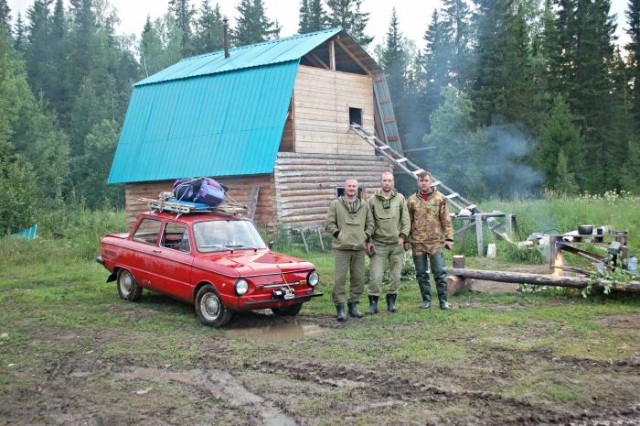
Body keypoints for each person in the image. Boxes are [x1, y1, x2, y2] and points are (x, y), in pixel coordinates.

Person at [324, 178, 374, 321]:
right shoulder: (335, 204)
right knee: (340, 279)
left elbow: (371, 224)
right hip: (342, 248)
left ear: (357, 189)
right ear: (344, 188)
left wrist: (365, 235)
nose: (351, 188)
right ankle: (340, 308)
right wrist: (339, 235)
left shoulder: (364, 205)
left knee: (358, 278)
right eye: (349, 186)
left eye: (354, 186)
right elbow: (328, 223)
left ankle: (353, 306)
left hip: (359, 248)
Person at [406, 171, 454, 310]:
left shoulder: (440, 198)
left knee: (439, 272)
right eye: (421, 181)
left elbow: (446, 220)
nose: (424, 183)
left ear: (431, 181)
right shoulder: (411, 200)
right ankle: (426, 301)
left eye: (426, 180)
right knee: (421, 274)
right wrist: (406, 240)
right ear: (418, 182)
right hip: (418, 243)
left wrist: (449, 238)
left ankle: (443, 301)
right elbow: (407, 222)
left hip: (436, 242)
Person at [366, 172, 410, 314]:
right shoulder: (372, 200)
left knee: (396, 275)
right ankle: (373, 303)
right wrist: (368, 241)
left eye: (389, 180)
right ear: (381, 182)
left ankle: (392, 301)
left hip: (396, 244)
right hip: (379, 244)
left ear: (393, 182)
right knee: (376, 275)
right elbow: (367, 221)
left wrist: (403, 237)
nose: (387, 183)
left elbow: (406, 220)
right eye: (384, 180)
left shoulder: (400, 198)